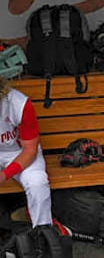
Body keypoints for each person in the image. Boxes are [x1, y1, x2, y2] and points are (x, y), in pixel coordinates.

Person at [0, 79, 52, 229]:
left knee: (37, 182)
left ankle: (43, 232)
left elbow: (29, 150)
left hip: (18, 153)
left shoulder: (18, 103)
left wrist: (4, 175)